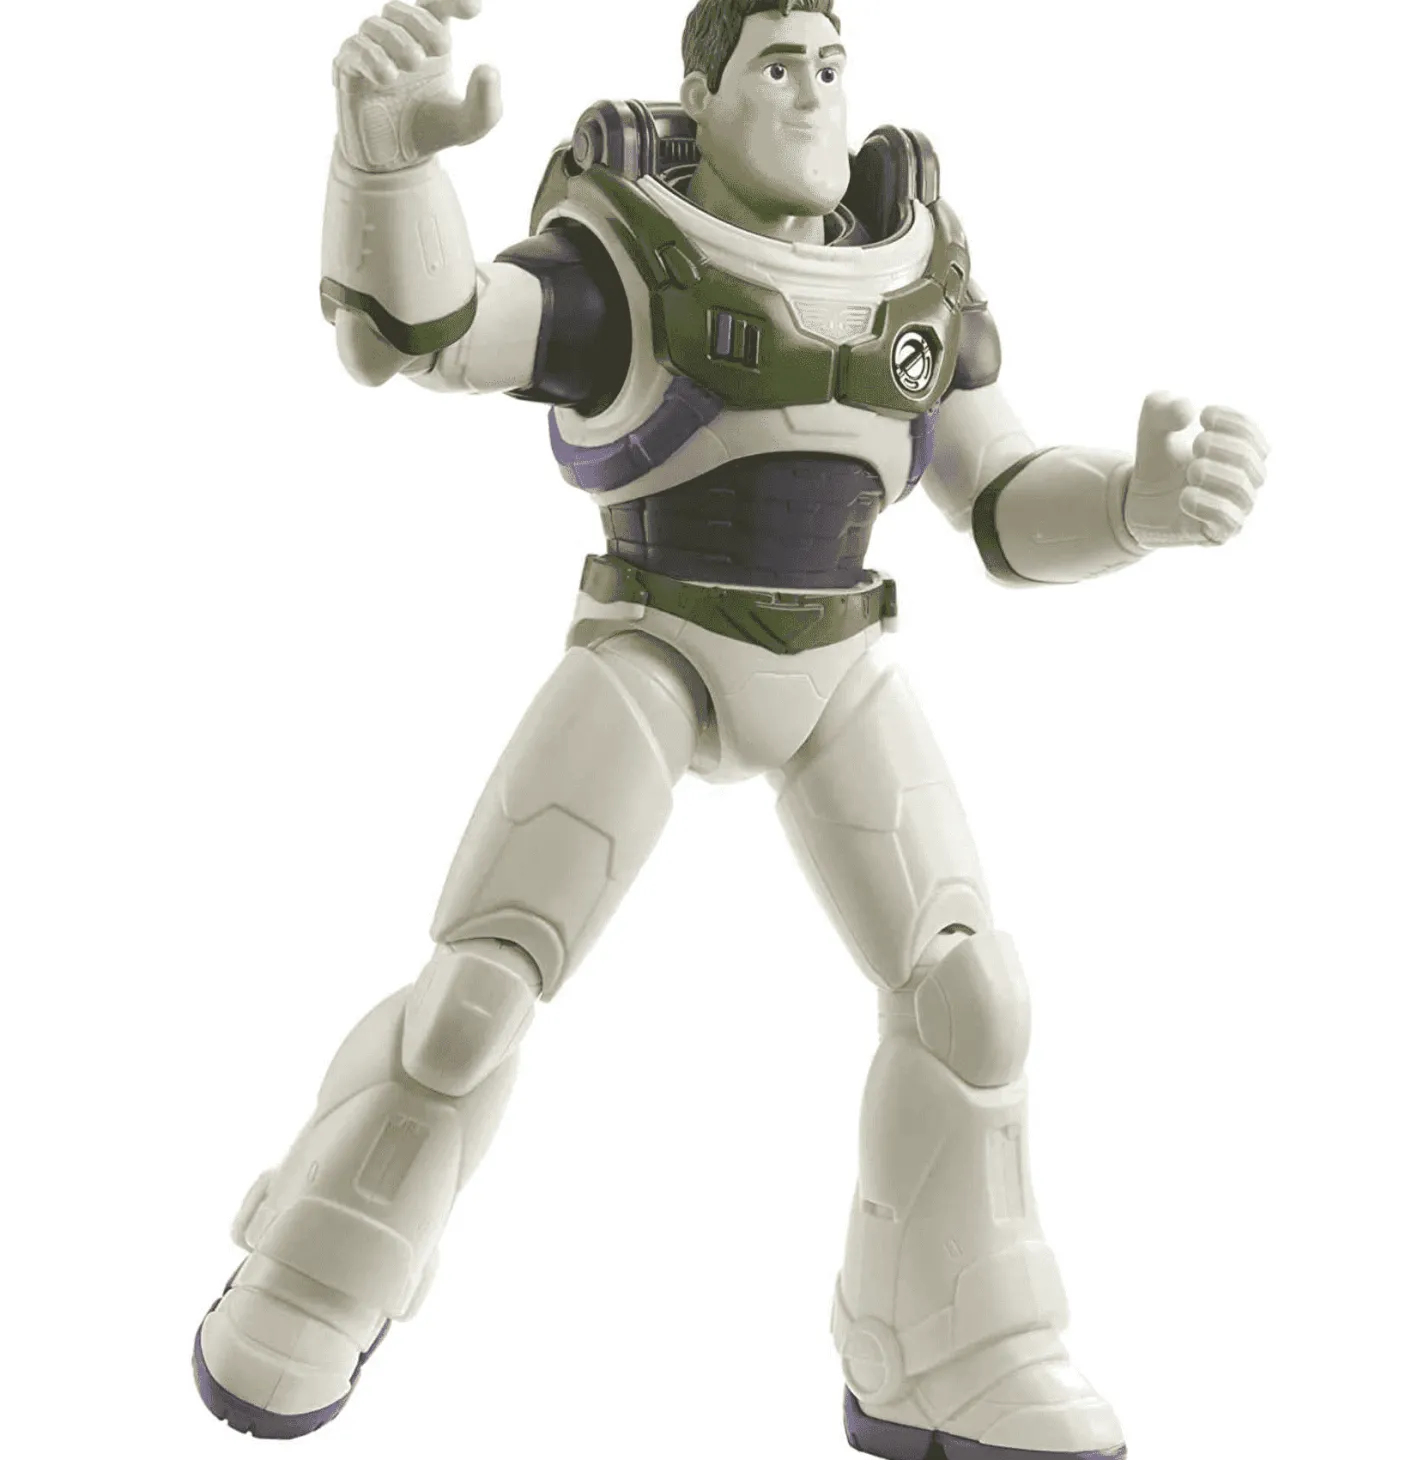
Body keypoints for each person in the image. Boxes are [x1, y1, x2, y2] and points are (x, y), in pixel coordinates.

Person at [192, 2, 1268, 1455]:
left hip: (843, 660)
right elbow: (433, 330)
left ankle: (950, 1347)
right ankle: (315, 1276)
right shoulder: (628, 256)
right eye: (778, 65)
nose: (815, 93)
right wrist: (386, 170)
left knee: (973, 997)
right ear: (700, 96)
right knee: (477, 999)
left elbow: (1006, 499)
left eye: (831, 64)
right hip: (658, 643)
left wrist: (1135, 505)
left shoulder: (911, 270)